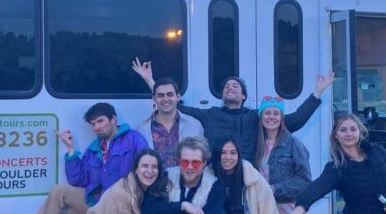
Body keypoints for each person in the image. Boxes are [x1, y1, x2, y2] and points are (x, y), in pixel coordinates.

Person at [2, 102, 149, 214]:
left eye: (100, 121)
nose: (97, 127)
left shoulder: (133, 139)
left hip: (122, 205)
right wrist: (71, 150)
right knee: (59, 191)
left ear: (113, 119)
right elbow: (78, 179)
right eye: (93, 124)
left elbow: (146, 169)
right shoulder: (94, 149)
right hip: (97, 201)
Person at [132, 58, 334, 163]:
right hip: (217, 176)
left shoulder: (257, 117)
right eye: (227, 86)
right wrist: (151, 81)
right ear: (222, 96)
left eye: (235, 86)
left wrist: (316, 93)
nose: (230, 87)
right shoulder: (209, 115)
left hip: (247, 176)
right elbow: (174, 104)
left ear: (244, 96)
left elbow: (295, 121)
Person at [253, 96, 312, 214]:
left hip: (289, 211)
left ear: (281, 118)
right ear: (261, 117)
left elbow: (304, 180)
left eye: (276, 113)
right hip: (264, 209)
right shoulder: (257, 144)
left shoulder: (293, 143)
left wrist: (275, 189)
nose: (271, 117)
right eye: (267, 113)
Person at [137, 76, 204, 169]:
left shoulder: (194, 126)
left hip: (183, 181)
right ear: (154, 99)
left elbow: (200, 159)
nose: (165, 99)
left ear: (178, 97)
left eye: (170, 94)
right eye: (160, 95)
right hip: (153, 181)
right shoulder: (141, 129)